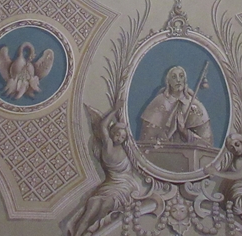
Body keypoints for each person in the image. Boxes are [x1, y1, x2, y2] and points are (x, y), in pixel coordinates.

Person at [69, 106, 142, 236]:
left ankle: (90, 232)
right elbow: (103, 125)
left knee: (104, 208)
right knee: (91, 208)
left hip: (124, 186)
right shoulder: (107, 145)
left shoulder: (127, 149)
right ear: (112, 133)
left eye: (123, 137)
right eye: (117, 134)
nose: (119, 138)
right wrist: (115, 109)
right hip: (110, 185)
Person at [140, 66, 212, 146]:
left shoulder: (195, 105)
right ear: (168, 82)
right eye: (174, 77)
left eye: (181, 76)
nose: (178, 80)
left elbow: (207, 143)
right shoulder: (159, 102)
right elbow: (146, 138)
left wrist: (185, 132)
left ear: (185, 80)